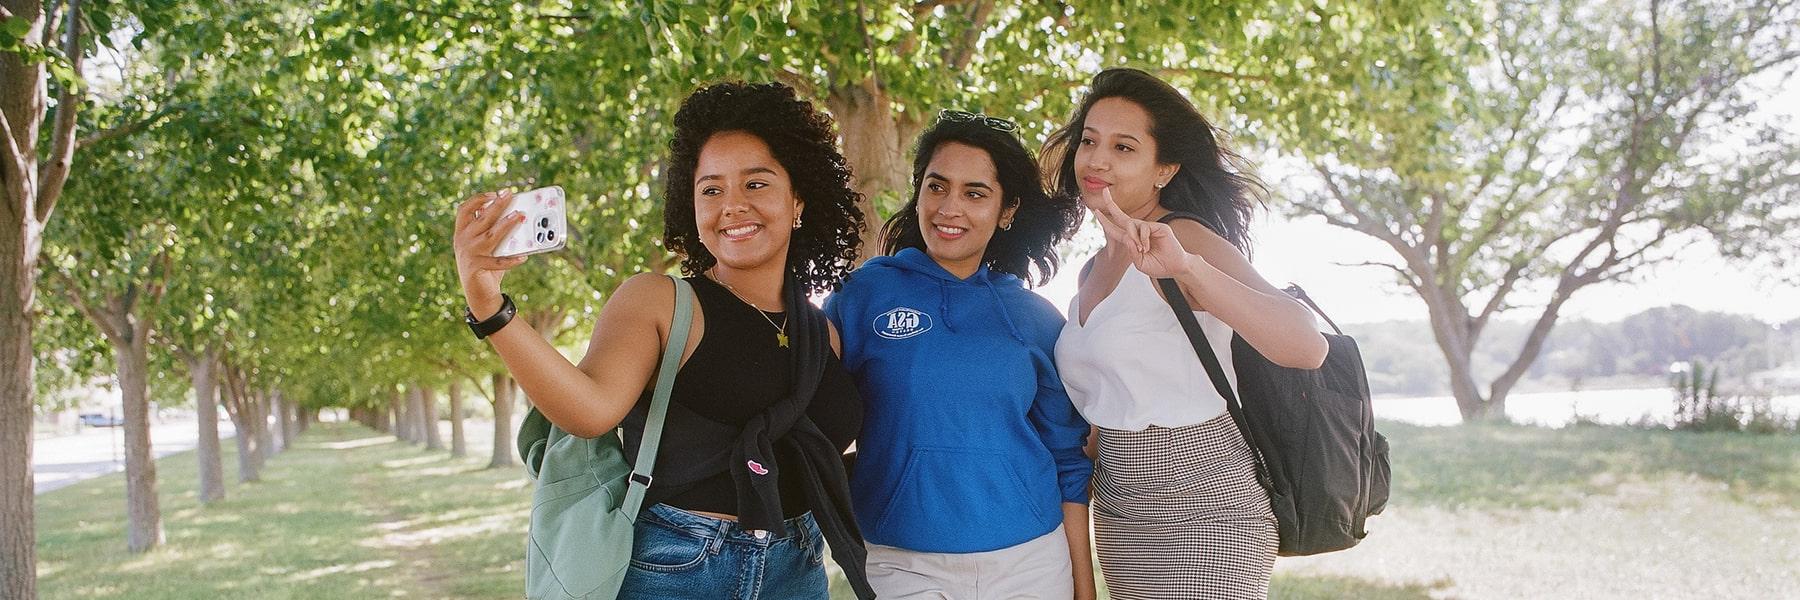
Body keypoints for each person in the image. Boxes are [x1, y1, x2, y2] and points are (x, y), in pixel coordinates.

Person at [452, 81, 876, 600]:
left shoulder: (823, 332)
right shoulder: (661, 302)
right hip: (678, 568)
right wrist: (489, 307)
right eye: (711, 189)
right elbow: (589, 410)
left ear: (798, 202)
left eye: (757, 184)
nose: (732, 206)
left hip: (798, 566)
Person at [1044, 67, 1330, 599]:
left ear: (1163, 169)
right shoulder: (1091, 270)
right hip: (1120, 502)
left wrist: (1185, 268)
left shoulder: (1183, 237)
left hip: (1201, 500)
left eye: (1124, 147)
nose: (1097, 159)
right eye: (1089, 141)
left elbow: (1306, 345)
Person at [824, 110, 1093, 599]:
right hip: (903, 561)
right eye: (937, 186)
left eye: (975, 193)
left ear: (1006, 211)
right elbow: (817, 416)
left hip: (1030, 562)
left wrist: (1083, 586)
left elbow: (1068, 462)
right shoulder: (863, 296)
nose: (950, 207)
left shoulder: (1035, 319)